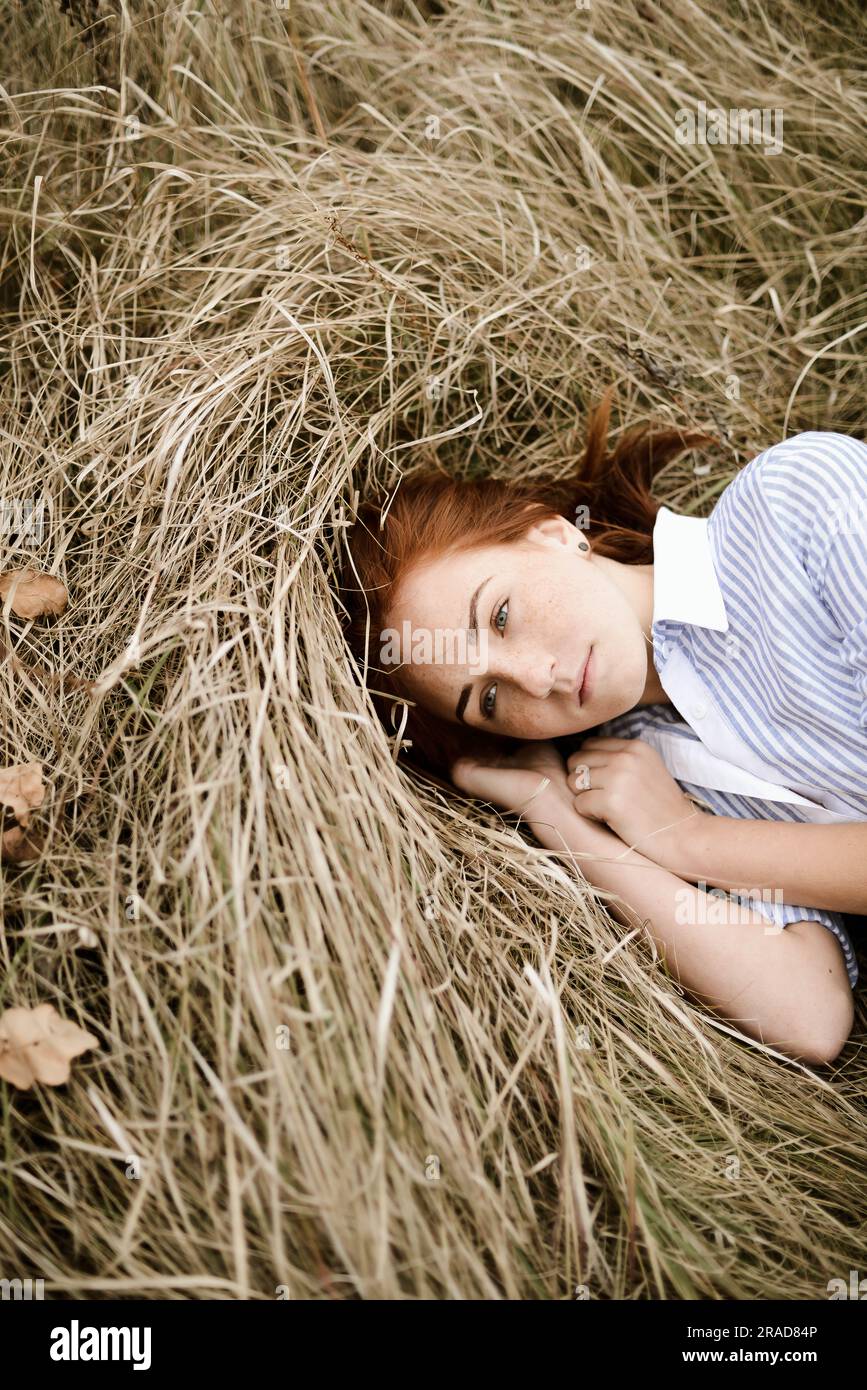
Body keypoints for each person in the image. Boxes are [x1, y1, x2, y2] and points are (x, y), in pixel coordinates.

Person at [338, 388, 866, 1064]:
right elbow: (807, 1011)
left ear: (556, 534)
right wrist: (560, 819)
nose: (535, 677)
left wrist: (694, 842)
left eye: (500, 615)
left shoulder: (794, 506)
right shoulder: (643, 768)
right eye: (489, 699)